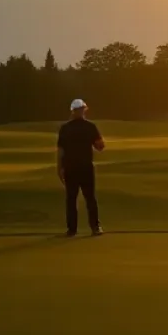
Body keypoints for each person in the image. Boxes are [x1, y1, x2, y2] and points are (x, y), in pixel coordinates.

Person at [57, 98, 105, 237]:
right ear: (83, 110)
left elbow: (61, 151)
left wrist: (59, 168)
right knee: (88, 198)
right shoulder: (90, 126)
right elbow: (100, 146)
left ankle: (73, 229)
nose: (81, 112)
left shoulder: (65, 128)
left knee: (73, 199)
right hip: (84, 167)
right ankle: (95, 227)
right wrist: (100, 143)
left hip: (72, 167)